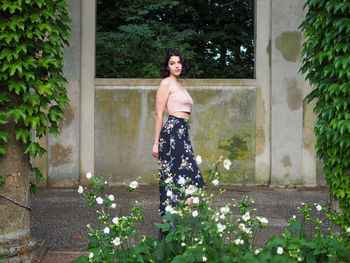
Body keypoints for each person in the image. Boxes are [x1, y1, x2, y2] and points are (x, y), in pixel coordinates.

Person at [152, 50, 205, 239]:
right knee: (178, 182)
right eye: (173, 63)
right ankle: (168, 230)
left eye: (179, 62)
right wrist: (156, 143)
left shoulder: (180, 85)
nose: (177, 65)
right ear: (167, 66)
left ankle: (169, 228)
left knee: (189, 183)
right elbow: (159, 114)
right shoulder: (166, 83)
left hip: (183, 133)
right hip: (172, 134)